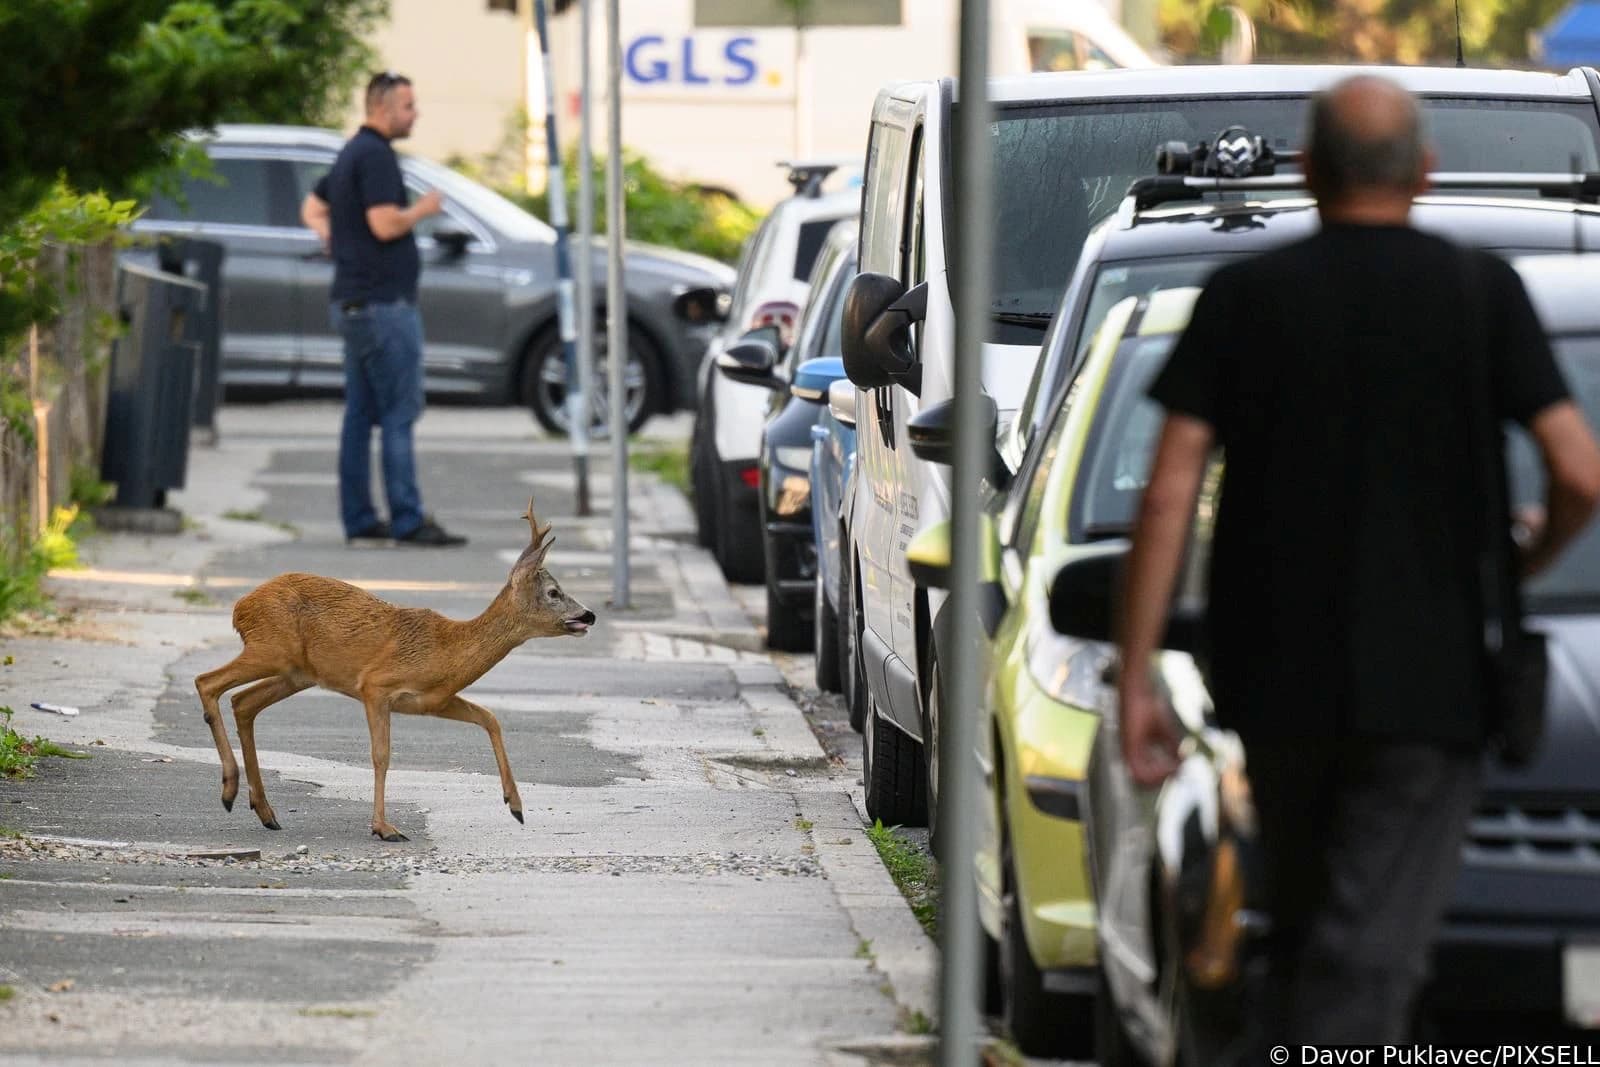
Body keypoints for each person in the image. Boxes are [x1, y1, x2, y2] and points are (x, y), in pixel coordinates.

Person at [1117, 75, 1600, 1044]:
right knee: (1368, 945)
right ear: (1421, 173)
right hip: (1433, 688)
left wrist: (1135, 673)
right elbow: (1578, 473)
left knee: (1304, 926)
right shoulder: (1479, 292)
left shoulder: (1243, 297)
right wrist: (1523, 558)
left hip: (1274, 676)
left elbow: (1169, 489)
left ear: (1307, 172)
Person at [301, 71, 466, 547]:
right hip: (382, 305)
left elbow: (311, 208)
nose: (415, 115)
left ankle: (359, 520)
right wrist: (423, 209)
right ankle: (408, 520)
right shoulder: (375, 156)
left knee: (360, 413)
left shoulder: (351, 151)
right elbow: (383, 223)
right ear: (383, 108)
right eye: (409, 106)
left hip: (353, 300)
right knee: (398, 412)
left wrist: (334, 238)